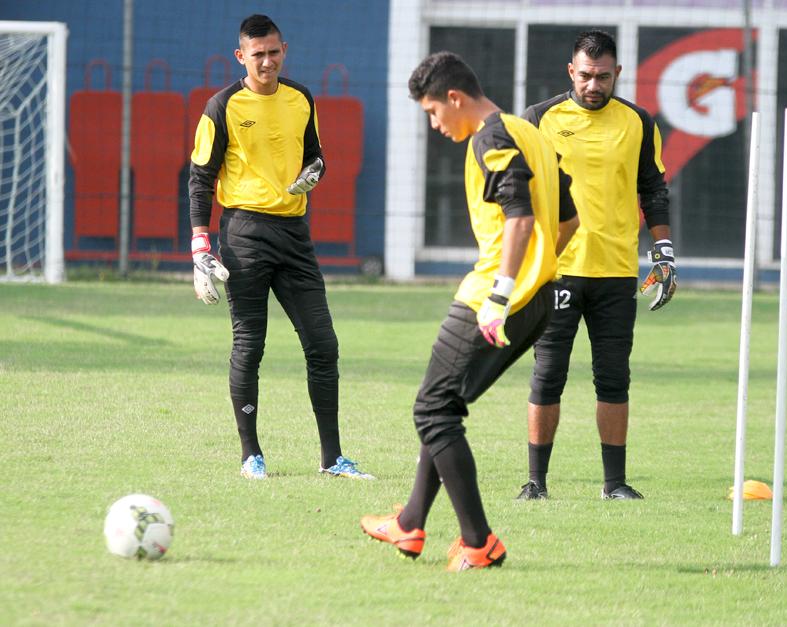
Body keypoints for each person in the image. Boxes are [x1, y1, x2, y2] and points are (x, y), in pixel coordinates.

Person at [360, 51, 579, 571]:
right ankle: (411, 523)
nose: (435, 125)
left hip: (495, 299)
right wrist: (536, 275)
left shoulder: (491, 138)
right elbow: (568, 219)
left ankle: (478, 542)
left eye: (434, 112)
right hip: (539, 297)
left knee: (432, 410)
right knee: (445, 408)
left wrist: (502, 293)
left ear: (455, 99)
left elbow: (520, 220)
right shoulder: (532, 133)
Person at [188, 14, 372, 481]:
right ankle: (251, 455)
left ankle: (332, 459)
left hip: (294, 234)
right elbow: (201, 178)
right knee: (250, 344)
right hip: (244, 234)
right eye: (257, 54)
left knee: (323, 344)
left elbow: (316, 155)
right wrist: (199, 246)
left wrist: (316, 171)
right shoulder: (221, 106)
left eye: (273, 52)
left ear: (284, 49)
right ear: (241, 56)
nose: (266, 62)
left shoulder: (301, 98)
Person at [516, 30, 676, 501]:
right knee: (548, 374)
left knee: (613, 376)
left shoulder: (639, 122)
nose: (593, 85)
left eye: (603, 76)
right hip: (557, 270)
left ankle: (614, 483)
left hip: (616, 271)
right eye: (585, 75)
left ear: (617, 74)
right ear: (571, 71)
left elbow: (654, 190)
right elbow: (515, 192)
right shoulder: (539, 119)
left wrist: (664, 252)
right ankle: (536, 483)